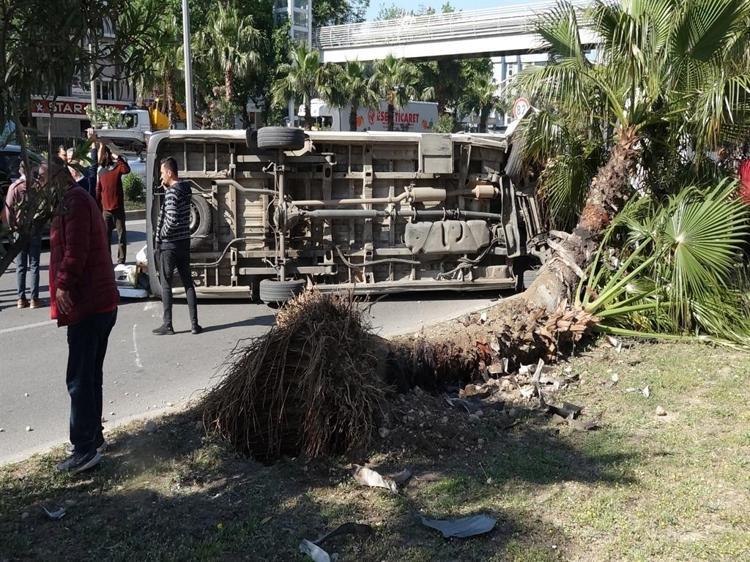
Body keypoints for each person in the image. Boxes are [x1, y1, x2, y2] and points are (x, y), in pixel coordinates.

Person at [44, 155, 119, 474]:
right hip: (100, 303)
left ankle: (84, 449)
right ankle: (94, 439)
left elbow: (76, 249)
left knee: (78, 379)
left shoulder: (73, 202)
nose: (40, 187)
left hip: (88, 304)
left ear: (57, 177)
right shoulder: (76, 199)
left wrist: (63, 284)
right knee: (89, 376)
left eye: (43, 180)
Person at [153, 157, 201, 335]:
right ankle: (194, 324)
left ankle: (168, 325)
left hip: (170, 245)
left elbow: (172, 218)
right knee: (188, 283)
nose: (161, 177)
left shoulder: (172, 193)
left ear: (169, 172)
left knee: (166, 284)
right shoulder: (185, 190)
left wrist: (162, 235)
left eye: (162, 173)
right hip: (184, 242)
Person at [2, 161, 42, 308]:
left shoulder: (14, 187)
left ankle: (21, 298)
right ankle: (34, 299)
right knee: (34, 264)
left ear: (20, 171)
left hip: (19, 230)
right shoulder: (37, 186)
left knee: (21, 266)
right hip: (34, 229)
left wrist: (10, 228)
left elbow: (8, 210)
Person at [96, 145, 130, 264]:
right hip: (106, 211)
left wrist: (118, 157)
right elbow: (98, 190)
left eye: (104, 154)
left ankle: (121, 260)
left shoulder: (117, 168)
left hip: (117, 209)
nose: (102, 157)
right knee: (106, 238)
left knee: (121, 236)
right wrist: (98, 208)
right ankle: (108, 261)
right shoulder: (101, 172)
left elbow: (126, 169)